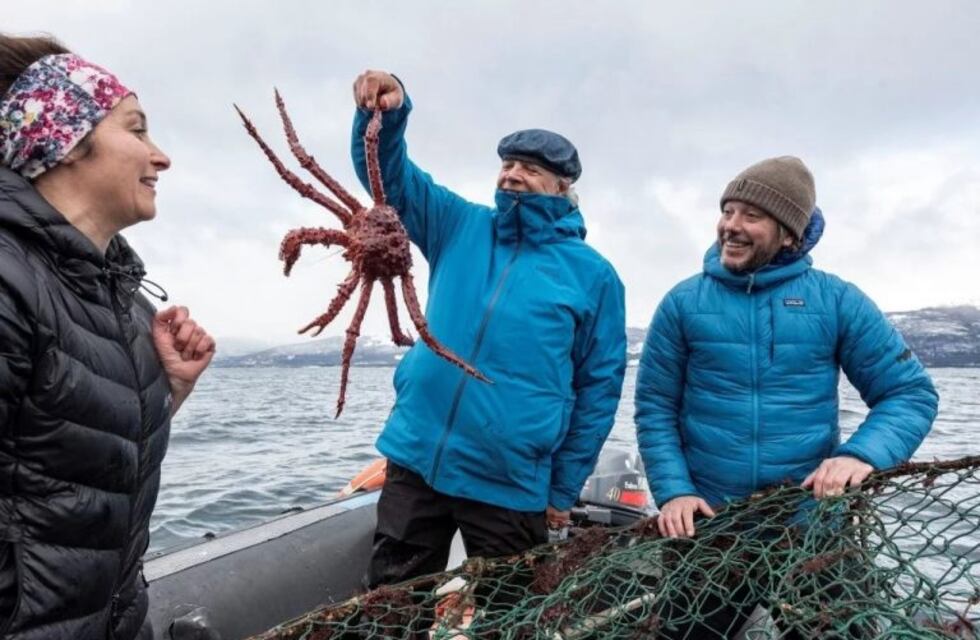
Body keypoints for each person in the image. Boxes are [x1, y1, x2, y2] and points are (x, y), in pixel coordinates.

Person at [634, 156, 939, 637]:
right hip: (710, 528)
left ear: (790, 234)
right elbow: (654, 408)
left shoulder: (837, 300)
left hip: (810, 528)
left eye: (750, 216)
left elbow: (910, 393)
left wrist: (860, 455)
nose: (731, 227)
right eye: (727, 211)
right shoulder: (682, 303)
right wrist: (675, 492)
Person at [350, 70, 627, 588]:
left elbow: (598, 392)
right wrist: (388, 114)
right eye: (508, 164)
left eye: (530, 168)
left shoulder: (594, 277)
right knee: (389, 606)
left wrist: (562, 489)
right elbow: (391, 179)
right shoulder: (459, 225)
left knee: (508, 614)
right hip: (417, 458)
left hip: (509, 480)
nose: (513, 175)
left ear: (563, 186)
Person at [0, 35, 214, 639]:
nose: (161, 155)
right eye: (137, 130)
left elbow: (64, 455)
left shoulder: (119, 293)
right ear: (65, 141)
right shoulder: (9, 281)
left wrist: (167, 389)